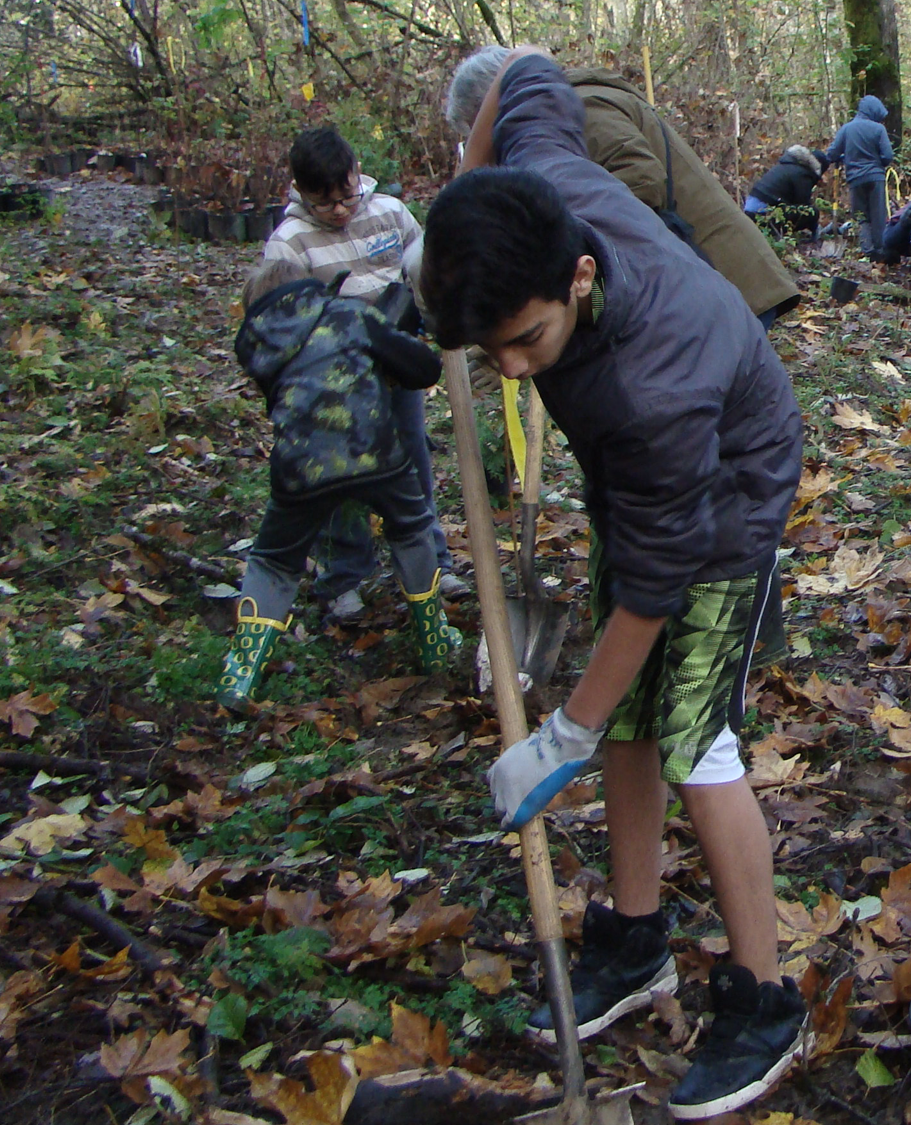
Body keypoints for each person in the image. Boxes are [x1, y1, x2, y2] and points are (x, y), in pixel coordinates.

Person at [429, 47, 806, 1119]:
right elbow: (528, 75)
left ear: (579, 278)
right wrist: (466, 187)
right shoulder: (542, 172)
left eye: (525, 340)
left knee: (693, 737)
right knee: (634, 717)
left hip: (724, 488)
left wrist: (565, 731)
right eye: (487, 348)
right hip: (639, 488)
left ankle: (765, 998)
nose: (510, 369)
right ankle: (635, 940)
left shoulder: (654, 381)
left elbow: (657, 576)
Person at [218, 260, 462, 711]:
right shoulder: (349, 313)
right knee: (410, 527)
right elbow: (423, 368)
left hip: (300, 469)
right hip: (376, 453)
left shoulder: (254, 345)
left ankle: (241, 673)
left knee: (274, 560)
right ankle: (434, 639)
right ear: (310, 287)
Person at [445, 48, 802, 328]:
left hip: (719, 275)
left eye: (480, 134)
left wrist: (564, 252)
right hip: (694, 279)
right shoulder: (565, 112)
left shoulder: (582, 107)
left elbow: (641, 182)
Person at [263, 125, 460, 621]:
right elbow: (280, 322)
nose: (340, 209)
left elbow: (424, 267)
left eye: (346, 195)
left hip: (395, 372)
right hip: (334, 388)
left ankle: (431, 566)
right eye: (324, 202)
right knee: (340, 480)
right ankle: (343, 578)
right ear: (302, 193)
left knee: (412, 464)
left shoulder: (390, 214)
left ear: (357, 175)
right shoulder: (289, 243)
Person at [826, 95, 895, 258]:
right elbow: (888, 156)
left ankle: (867, 249)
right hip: (876, 178)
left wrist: (843, 158)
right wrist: (878, 163)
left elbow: (832, 153)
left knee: (860, 215)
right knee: (878, 215)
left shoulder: (847, 129)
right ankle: (880, 251)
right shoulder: (879, 129)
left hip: (855, 179)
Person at [745, 145, 827, 242]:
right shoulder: (803, 175)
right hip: (763, 214)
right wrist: (815, 227)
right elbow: (803, 206)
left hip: (748, 213)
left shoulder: (785, 165)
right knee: (812, 213)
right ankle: (775, 234)